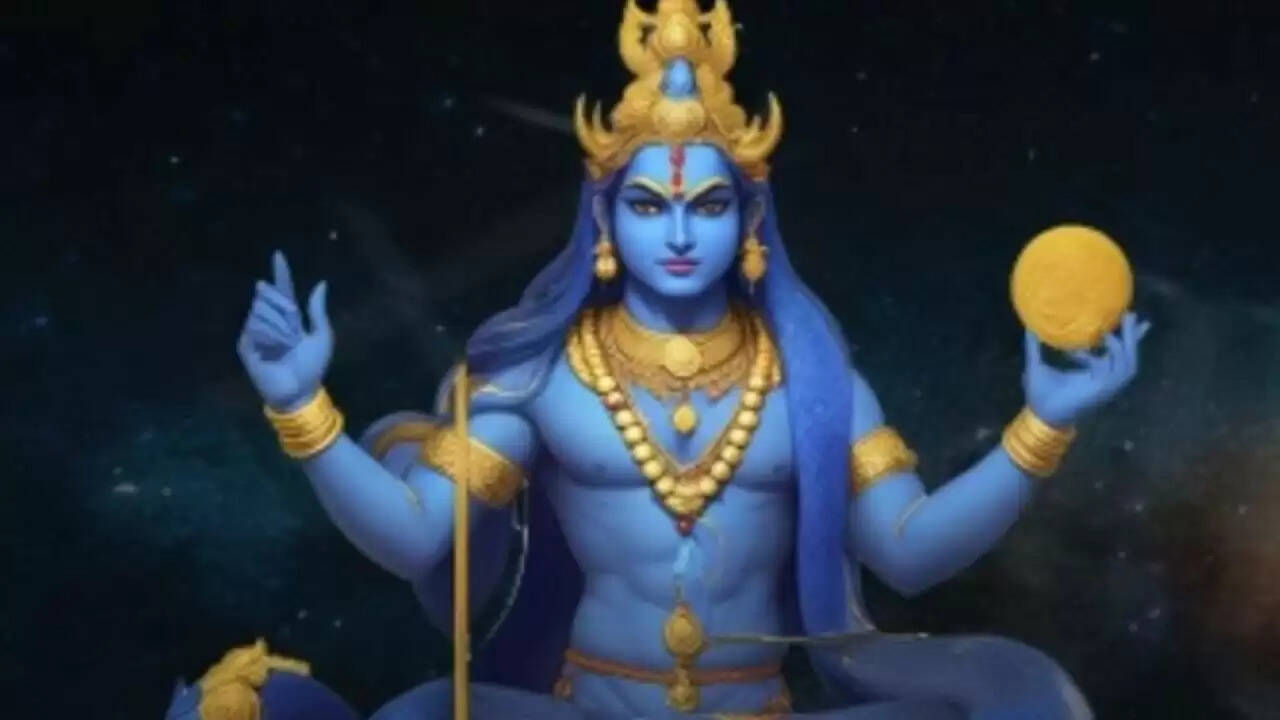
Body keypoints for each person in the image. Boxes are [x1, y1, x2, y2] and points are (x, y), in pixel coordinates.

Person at [229, 1, 1150, 717]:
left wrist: (1043, 425)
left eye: (707, 206)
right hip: (589, 709)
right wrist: (302, 408)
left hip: (756, 711)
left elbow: (909, 552)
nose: (677, 233)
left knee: (1014, 702)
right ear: (605, 217)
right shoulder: (543, 375)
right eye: (648, 205)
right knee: (418, 715)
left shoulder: (812, 381)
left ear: (749, 219)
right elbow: (416, 537)